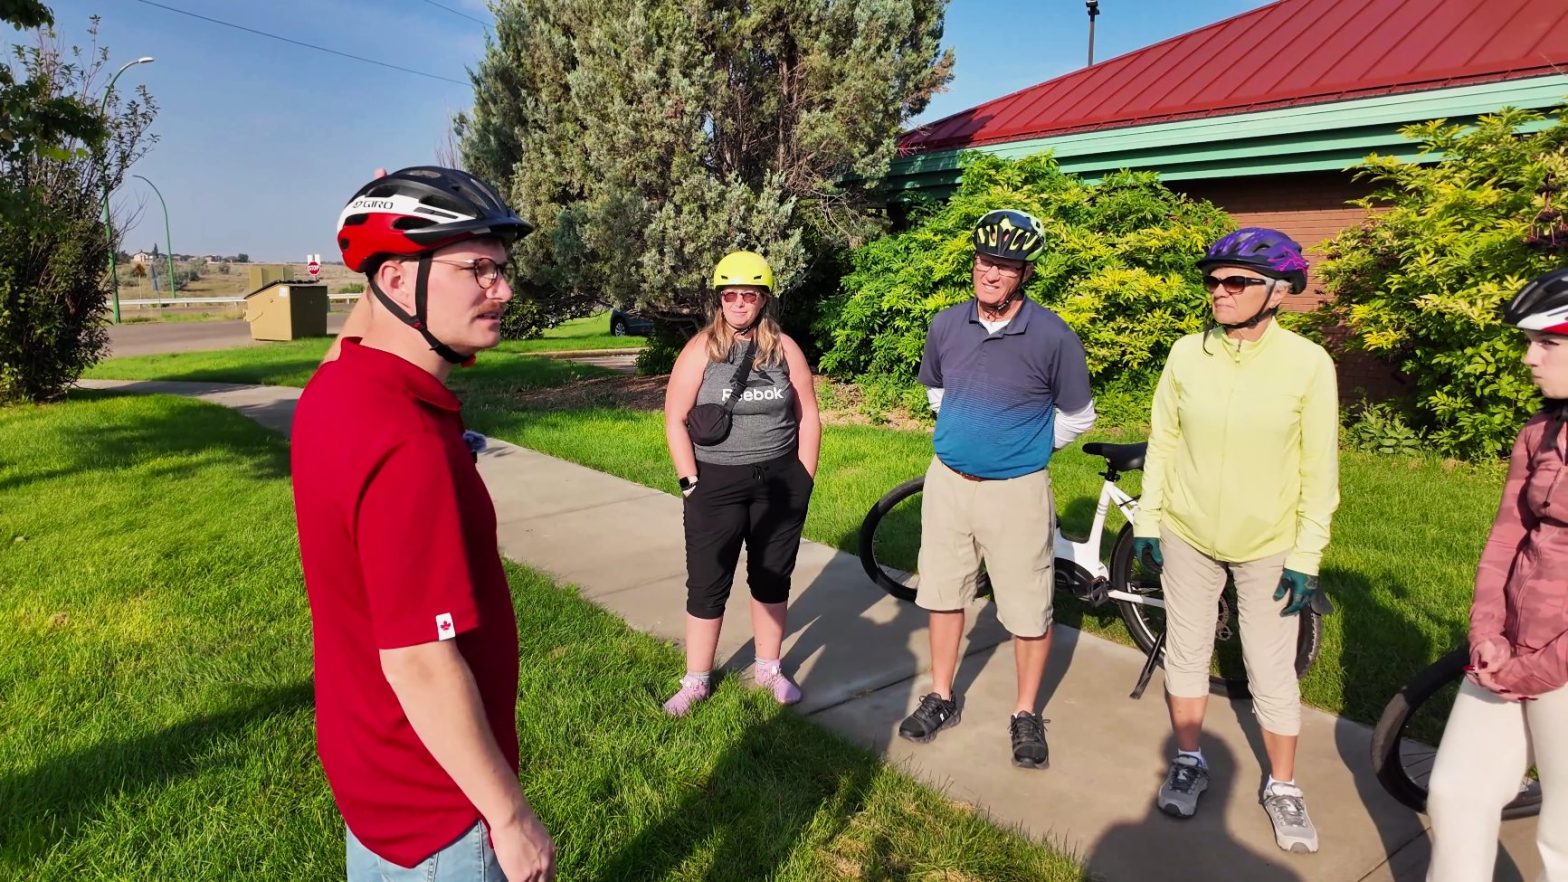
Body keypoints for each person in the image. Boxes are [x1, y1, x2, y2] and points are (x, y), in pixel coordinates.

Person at [291, 166, 556, 882]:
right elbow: (418, 660)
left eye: (503, 270)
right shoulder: (405, 445)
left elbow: (355, 335)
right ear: (400, 282)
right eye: (478, 269)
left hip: (378, 776)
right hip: (440, 811)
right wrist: (509, 818)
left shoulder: (337, 389)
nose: (502, 291)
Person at [1130, 228, 1338, 854]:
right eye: (1213, 281)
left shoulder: (1308, 364)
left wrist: (1307, 555)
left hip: (1269, 542)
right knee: (1187, 651)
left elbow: (1319, 470)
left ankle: (1283, 786)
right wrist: (1147, 521)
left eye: (1236, 282)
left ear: (1277, 292)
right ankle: (1189, 759)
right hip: (1187, 532)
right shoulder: (1186, 354)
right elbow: (1164, 442)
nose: (1219, 291)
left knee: (1271, 668)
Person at [899, 209, 1096, 770]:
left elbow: (1079, 416)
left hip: (1017, 491)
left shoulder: (1053, 336)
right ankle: (940, 695)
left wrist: (1027, 448)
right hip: (949, 486)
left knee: (1029, 607)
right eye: (986, 261)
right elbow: (938, 392)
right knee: (943, 592)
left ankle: (1026, 713)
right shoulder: (945, 325)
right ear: (974, 264)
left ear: (1024, 273)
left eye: (1006, 265)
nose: (993, 272)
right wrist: (966, 437)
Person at [1424, 268, 1568, 882]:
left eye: (1548, 344)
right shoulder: (1539, 432)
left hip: (1557, 667)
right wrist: (1487, 630)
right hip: (1506, 650)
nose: (1529, 358)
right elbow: (1507, 535)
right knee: (1455, 794)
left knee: (1563, 837)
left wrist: (1535, 668)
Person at [661, 250, 822, 716]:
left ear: (762, 299)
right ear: (719, 299)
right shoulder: (701, 350)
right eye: (729, 295)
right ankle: (696, 680)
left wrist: (803, 478)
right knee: (708, 582)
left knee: (772, 578)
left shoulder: (785, 349)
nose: (737, 303)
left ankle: (769, 667)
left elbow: (808, 414)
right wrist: (690, 480)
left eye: (747, 295)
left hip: (778, 481)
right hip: (715, 483)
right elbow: (674, 419)